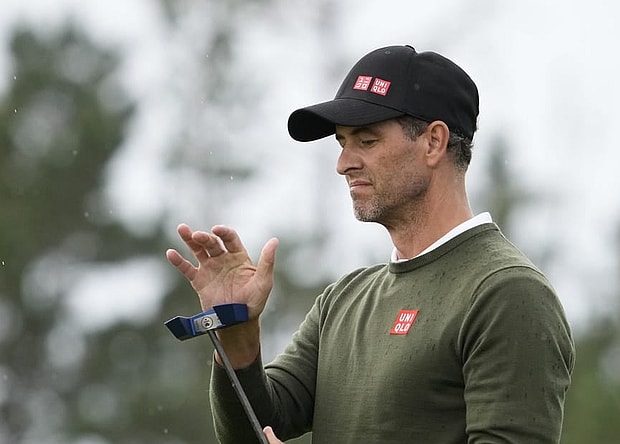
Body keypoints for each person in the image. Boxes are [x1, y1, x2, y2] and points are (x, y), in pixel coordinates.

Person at [166, 44, 575, 443]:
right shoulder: (342, 301)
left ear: (433, 142)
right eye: (342, 142)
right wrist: (236, 331)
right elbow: (254, 429)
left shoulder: (508, 292)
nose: (344, 163)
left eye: (367, 140)